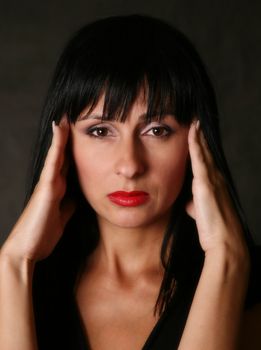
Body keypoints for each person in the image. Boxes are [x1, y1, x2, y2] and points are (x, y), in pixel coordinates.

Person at [0, 14, 260, 350]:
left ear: (198, 140)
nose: (130, 165)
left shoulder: (247, 290)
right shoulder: (19, 288)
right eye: (100, 130)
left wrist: (227, 258)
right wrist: (14, 264)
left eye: (156, 130)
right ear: (61, 143)